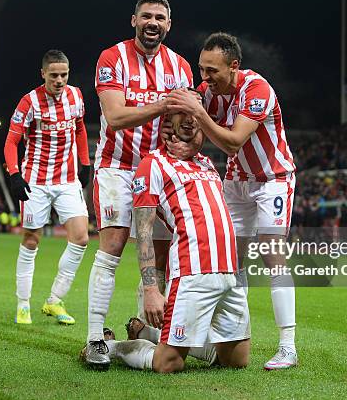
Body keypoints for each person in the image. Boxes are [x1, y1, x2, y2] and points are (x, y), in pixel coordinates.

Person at [166, 32, 298, 370]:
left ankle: (287, 346)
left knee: (272, 254)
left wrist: (199, 111)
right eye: (202, 70)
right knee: (228, 260)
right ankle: (229, 335)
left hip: (273, 180)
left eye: (212, 71)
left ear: (234, 66)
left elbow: (234, 141)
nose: (205, 78)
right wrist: (183, 137)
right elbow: (195, 132)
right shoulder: (208, 93)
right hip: (237, 182)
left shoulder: (257, 90)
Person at [82, 112, 250, 373]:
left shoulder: (206, 163)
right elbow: (145, 230)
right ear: (167, 127)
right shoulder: (152, 165)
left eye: (198, 125)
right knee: (168, 364)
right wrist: (151, 289)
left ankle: (149, 334)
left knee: (236, 360)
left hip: (230, 273)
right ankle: (111, 346)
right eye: (187, 123)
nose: (197, 126)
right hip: (193, 272)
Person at [84, 0, 193, 369]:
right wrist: (163, 105)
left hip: (160, 170)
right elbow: (114, 117)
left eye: (160, 17)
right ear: (133, 20)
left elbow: (182, 125)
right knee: (112, 246)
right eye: (146, 16)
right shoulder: (111, 58)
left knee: (160, 255)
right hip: (118, 166)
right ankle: (95, 338)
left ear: (168, 25)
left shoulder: (180, 67)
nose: (153, 22)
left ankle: (142, 327)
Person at [3, 49, 91, 325]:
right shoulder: (29, 102)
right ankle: (23, 304)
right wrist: (14, 174)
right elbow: (11, 141)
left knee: (81, 238)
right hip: (35, 182)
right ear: (43, 74)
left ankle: (54, 300)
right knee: (31, 240)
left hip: (66, 180)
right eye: (54, 75)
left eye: (64, 74)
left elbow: (80, 130)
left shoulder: (76, 96)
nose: (60, 80)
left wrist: (85, 163)